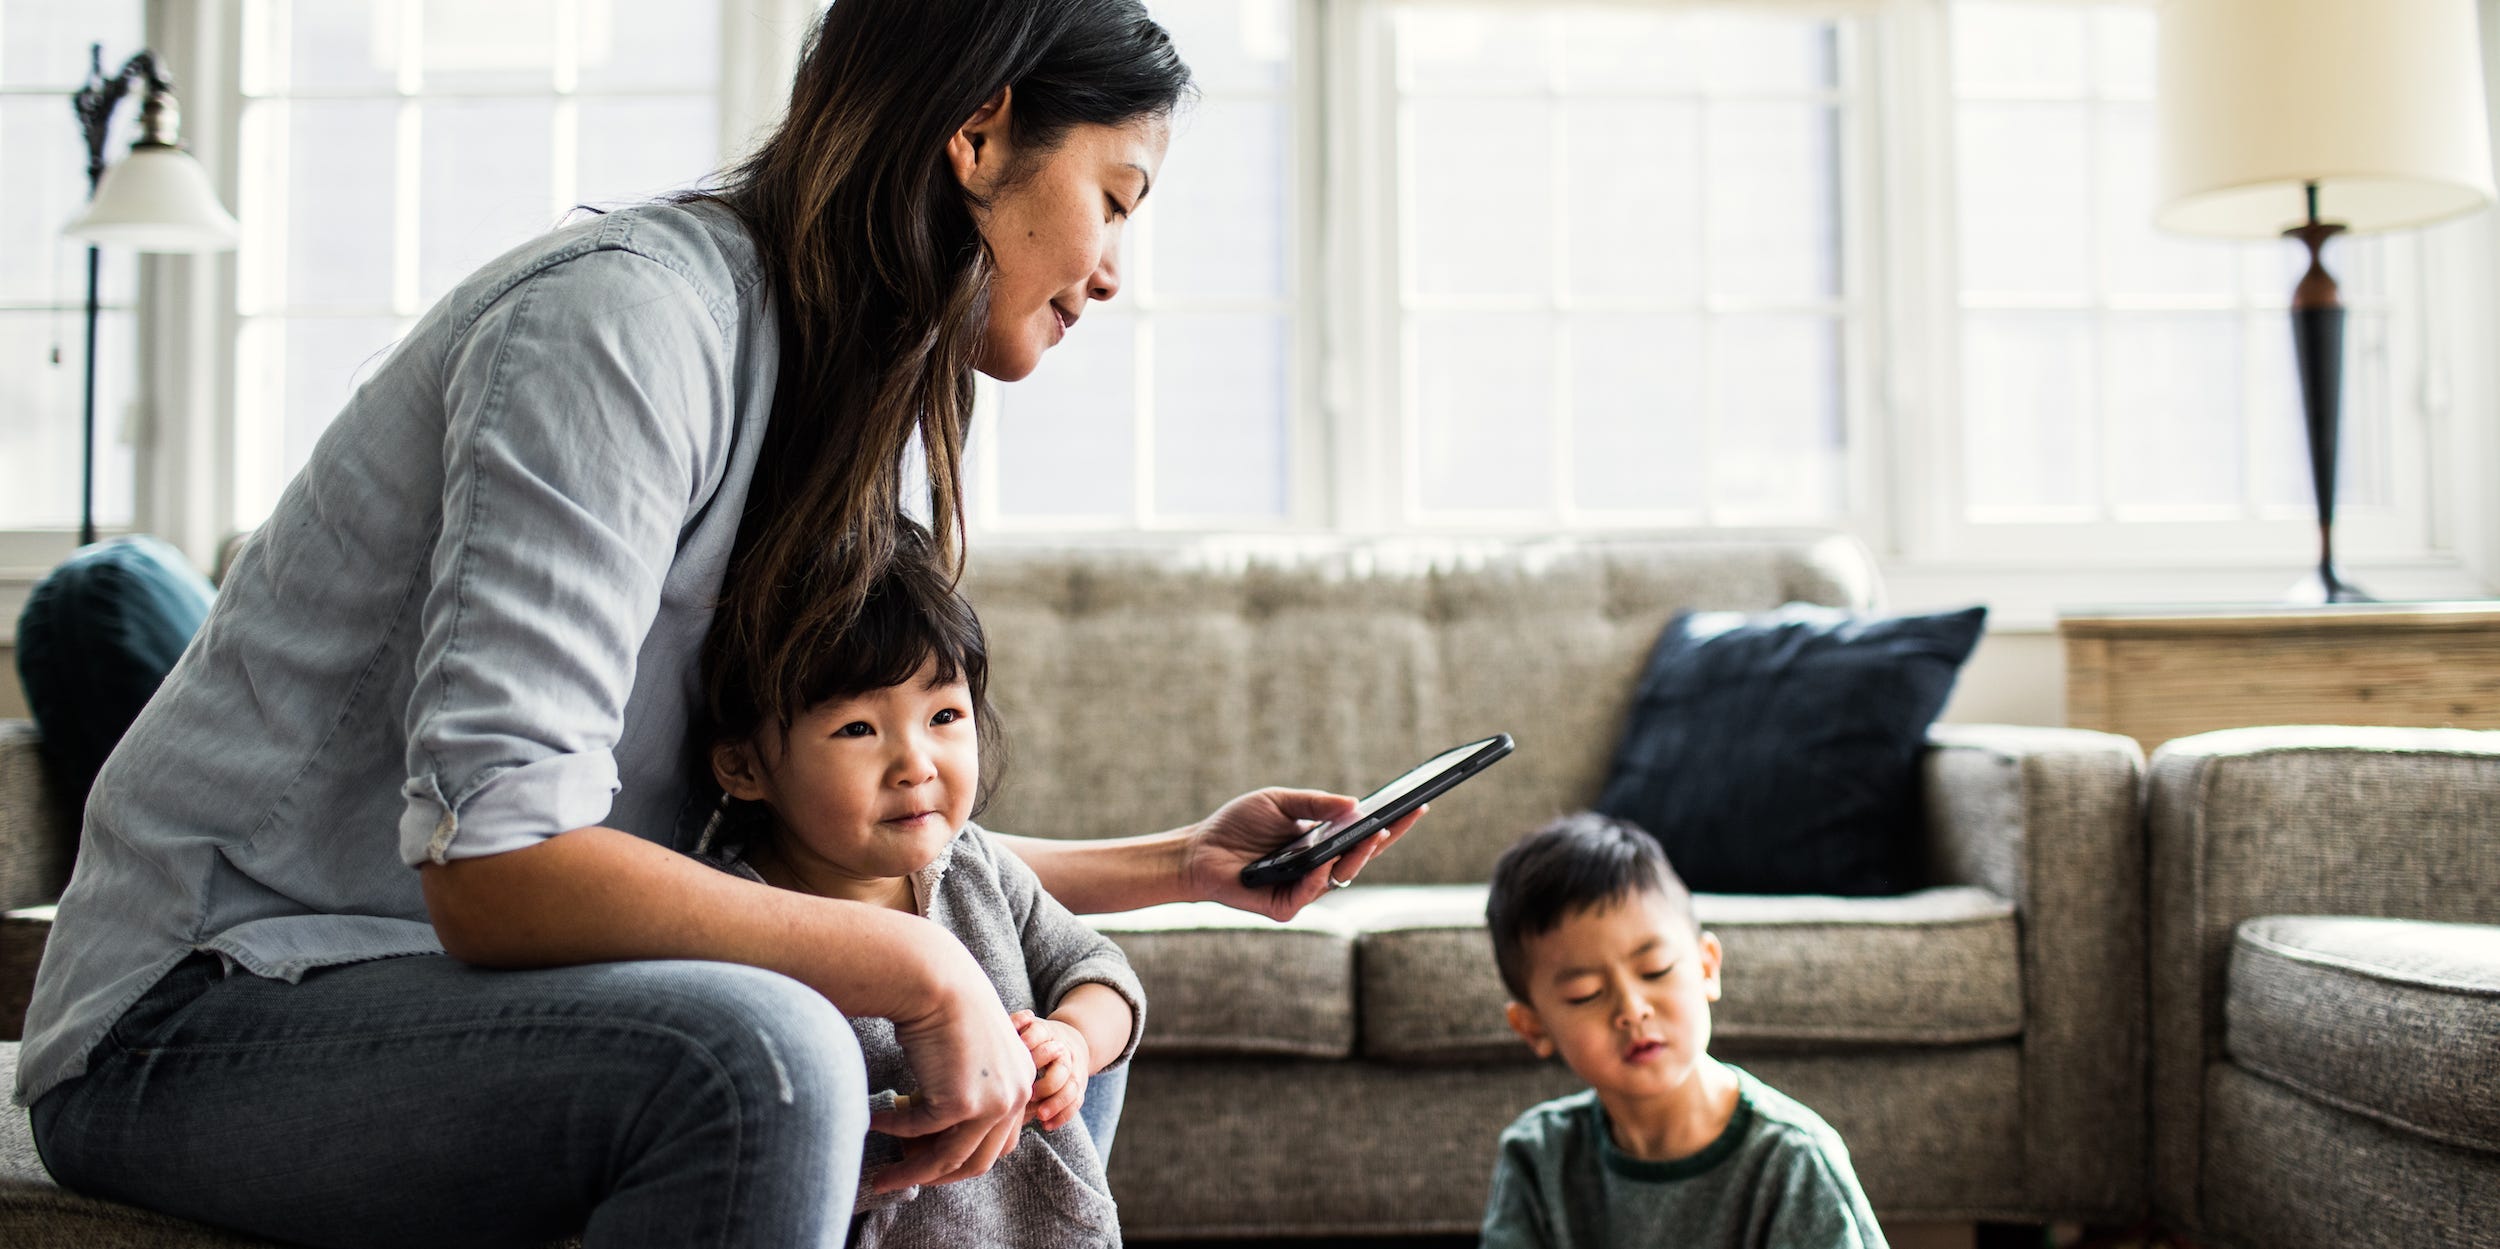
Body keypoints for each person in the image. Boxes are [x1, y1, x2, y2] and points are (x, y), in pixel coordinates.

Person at [15, 3, 1419, 1246]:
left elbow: (833, 823)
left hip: (446, 984)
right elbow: (495, 863)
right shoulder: (624, 328)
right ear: (981, 135)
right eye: (1115, 196)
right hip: (209, 1005)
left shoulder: (844, 403)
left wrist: (1180, 866)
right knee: (772, 1057)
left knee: (1050, 1038)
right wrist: (919, 967)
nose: (1115, 267)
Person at [694, 517, 1140, 1246]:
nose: (915, 762)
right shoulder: (731, 918)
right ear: (744, 764)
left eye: (943, 716)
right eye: (859, 729)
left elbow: (1100, 969)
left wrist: (1074, 1041)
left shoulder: (974, 868)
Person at [1479, 813, 1886, 1249]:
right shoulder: (1537, 1156)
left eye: (1655, 970)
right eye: (1586, 994)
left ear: (1707, 967)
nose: (1632, 1011)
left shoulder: (1792, 1159)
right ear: (1533, 1027)